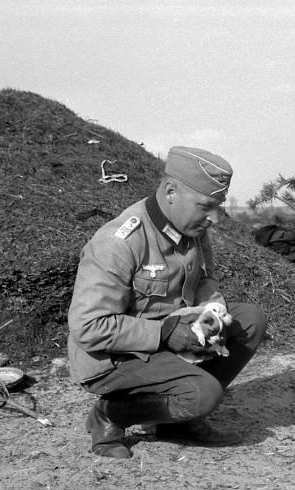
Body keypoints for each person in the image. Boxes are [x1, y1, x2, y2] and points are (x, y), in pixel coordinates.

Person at [67, 146, 268, 459]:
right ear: (171, 191)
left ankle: (177, 423)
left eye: (219, 206)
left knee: (250, 320)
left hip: (173, 342)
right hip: (115, 357)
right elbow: (89, 326)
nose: (215, 217)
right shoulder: (119, 243)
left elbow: (204, 279)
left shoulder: (191, 228)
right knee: (203, 395)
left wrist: (211, 313)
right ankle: (110, 414)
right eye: (206, 206)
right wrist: (164, 333)